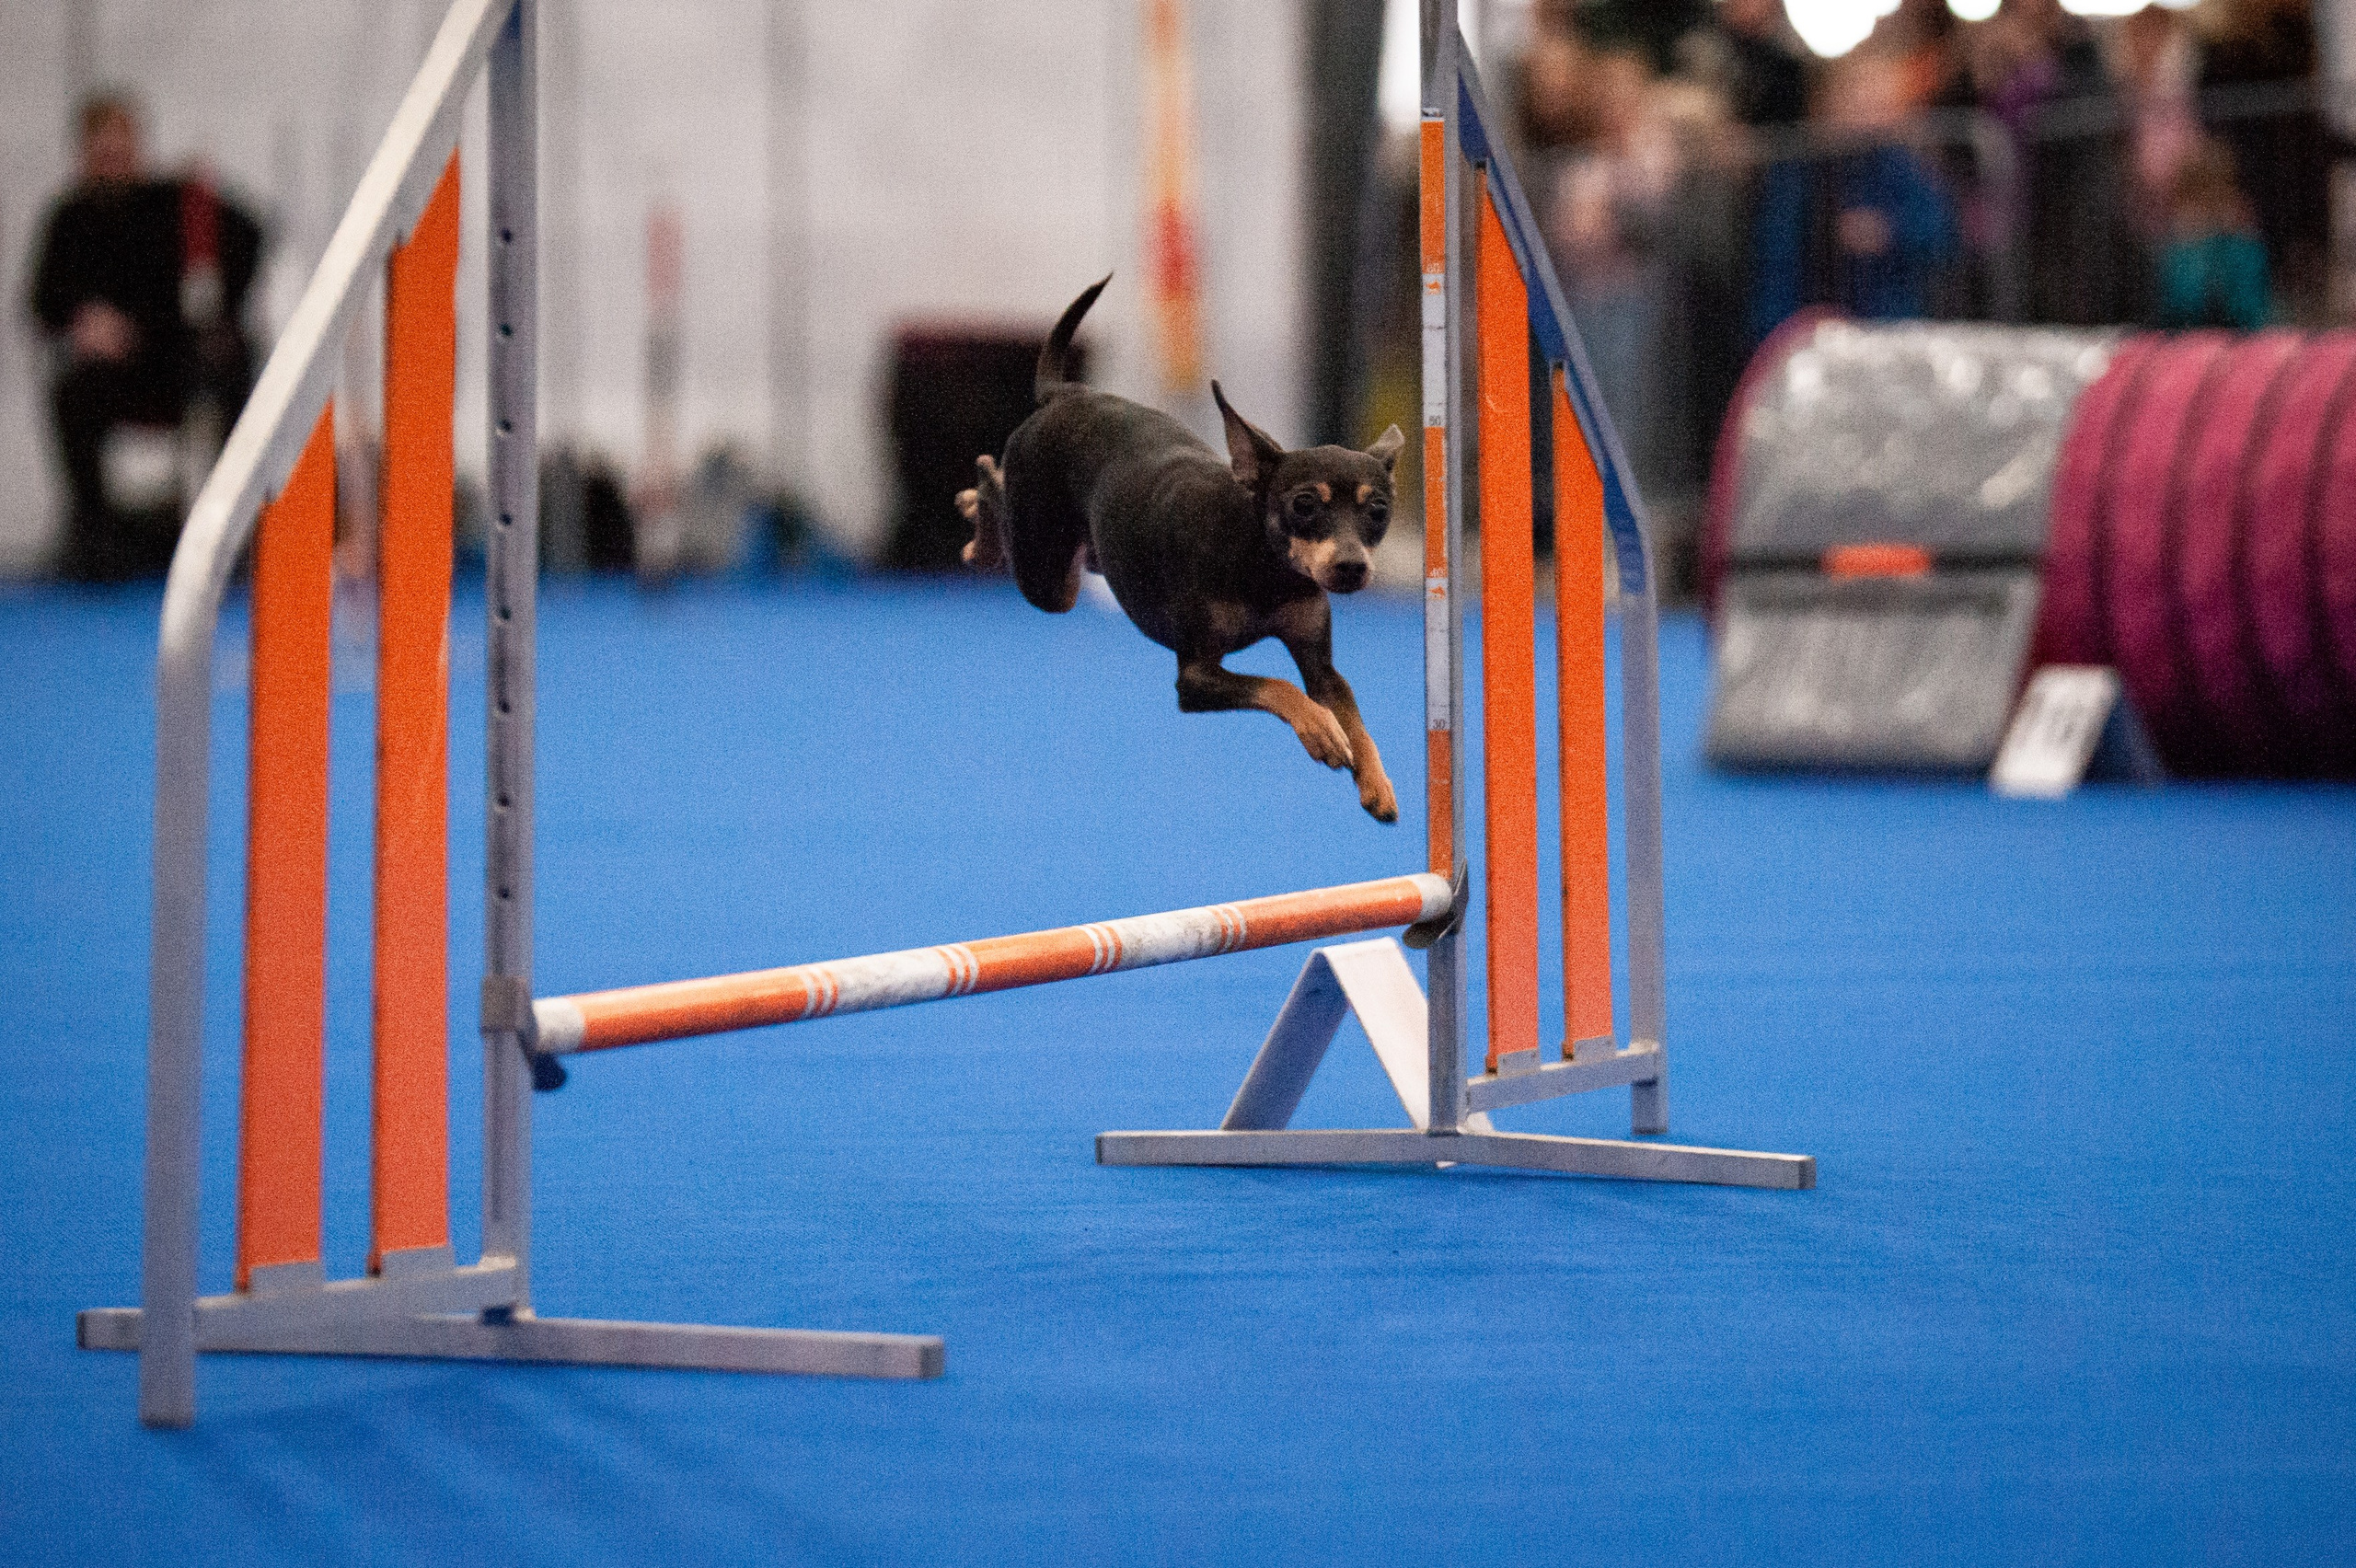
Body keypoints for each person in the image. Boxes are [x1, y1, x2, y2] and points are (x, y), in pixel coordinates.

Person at [28, 93, 260, 581]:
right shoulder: (68, 218)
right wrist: (83, 321)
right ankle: (96, 534)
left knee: (231, 373)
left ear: (138, 146)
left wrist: (219, 312)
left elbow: (252, 237)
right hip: (117, 373)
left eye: (122, 149)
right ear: (85, 154)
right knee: (74, 393)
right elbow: (42, 301)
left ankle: (233, 529)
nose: (113, 161)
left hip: (179, 358)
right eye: (102, 152)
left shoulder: (178, 200)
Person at [1750, 51, 1958, 342]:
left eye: (1877, 99)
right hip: (1809, 328)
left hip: (1886, 327)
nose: (1868, 109)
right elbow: (1776, 260)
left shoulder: (1899, 166)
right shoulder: (1796, 171)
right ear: (1827, 102)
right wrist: (1776, 335)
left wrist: (1889, 232)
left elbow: (1939, 232)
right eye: (1857, 96)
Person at [2155, 139, 2271, 329]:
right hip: (2189, 347)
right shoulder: (2178, 255)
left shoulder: (2243, 249)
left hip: (2240, 344)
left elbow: (2251, 312)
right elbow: (2176, 311)